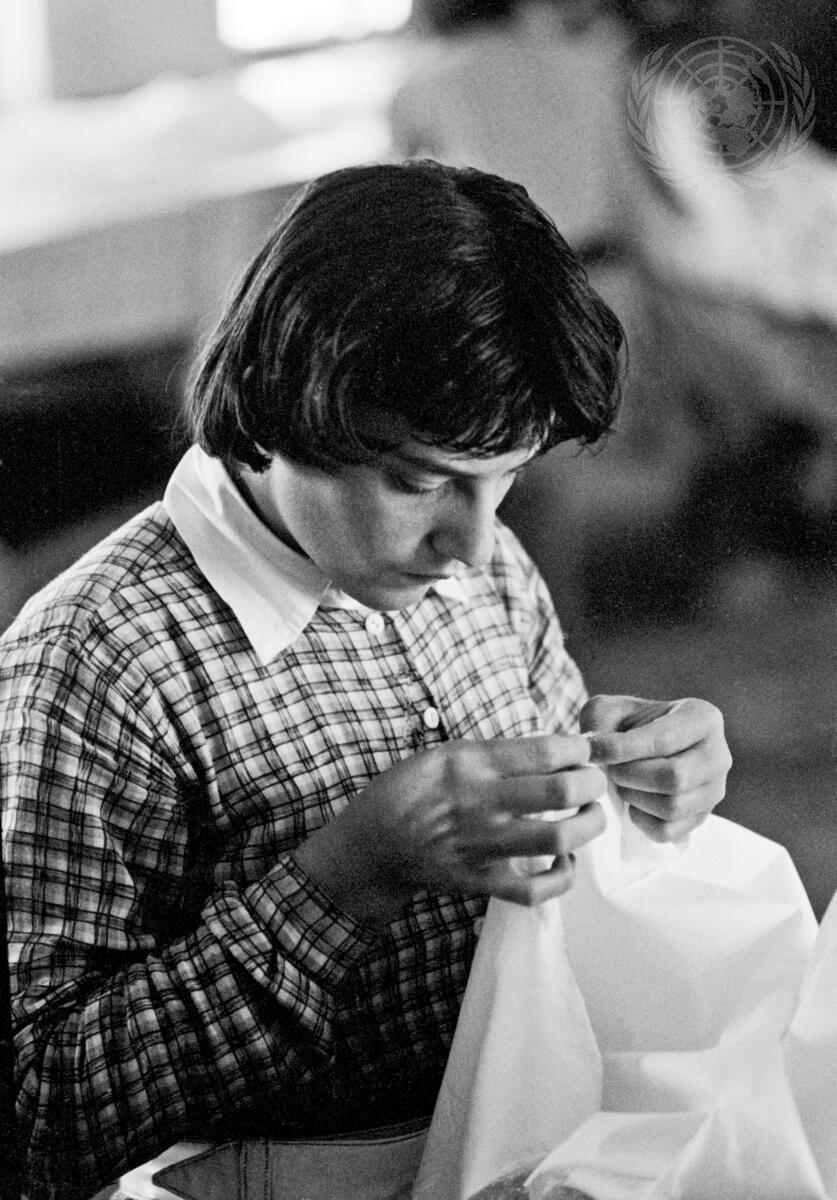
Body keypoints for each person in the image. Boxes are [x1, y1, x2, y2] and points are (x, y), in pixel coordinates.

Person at [0, 160, 731, 1200]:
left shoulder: (486, 570)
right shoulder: (98, 658)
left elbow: (559, 879)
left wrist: (643, 789)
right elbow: (34, 1116)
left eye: (506, 478)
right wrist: (348, 877)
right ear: (285, 404)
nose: (472, 545)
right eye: (420, 481)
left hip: (538, 1136)